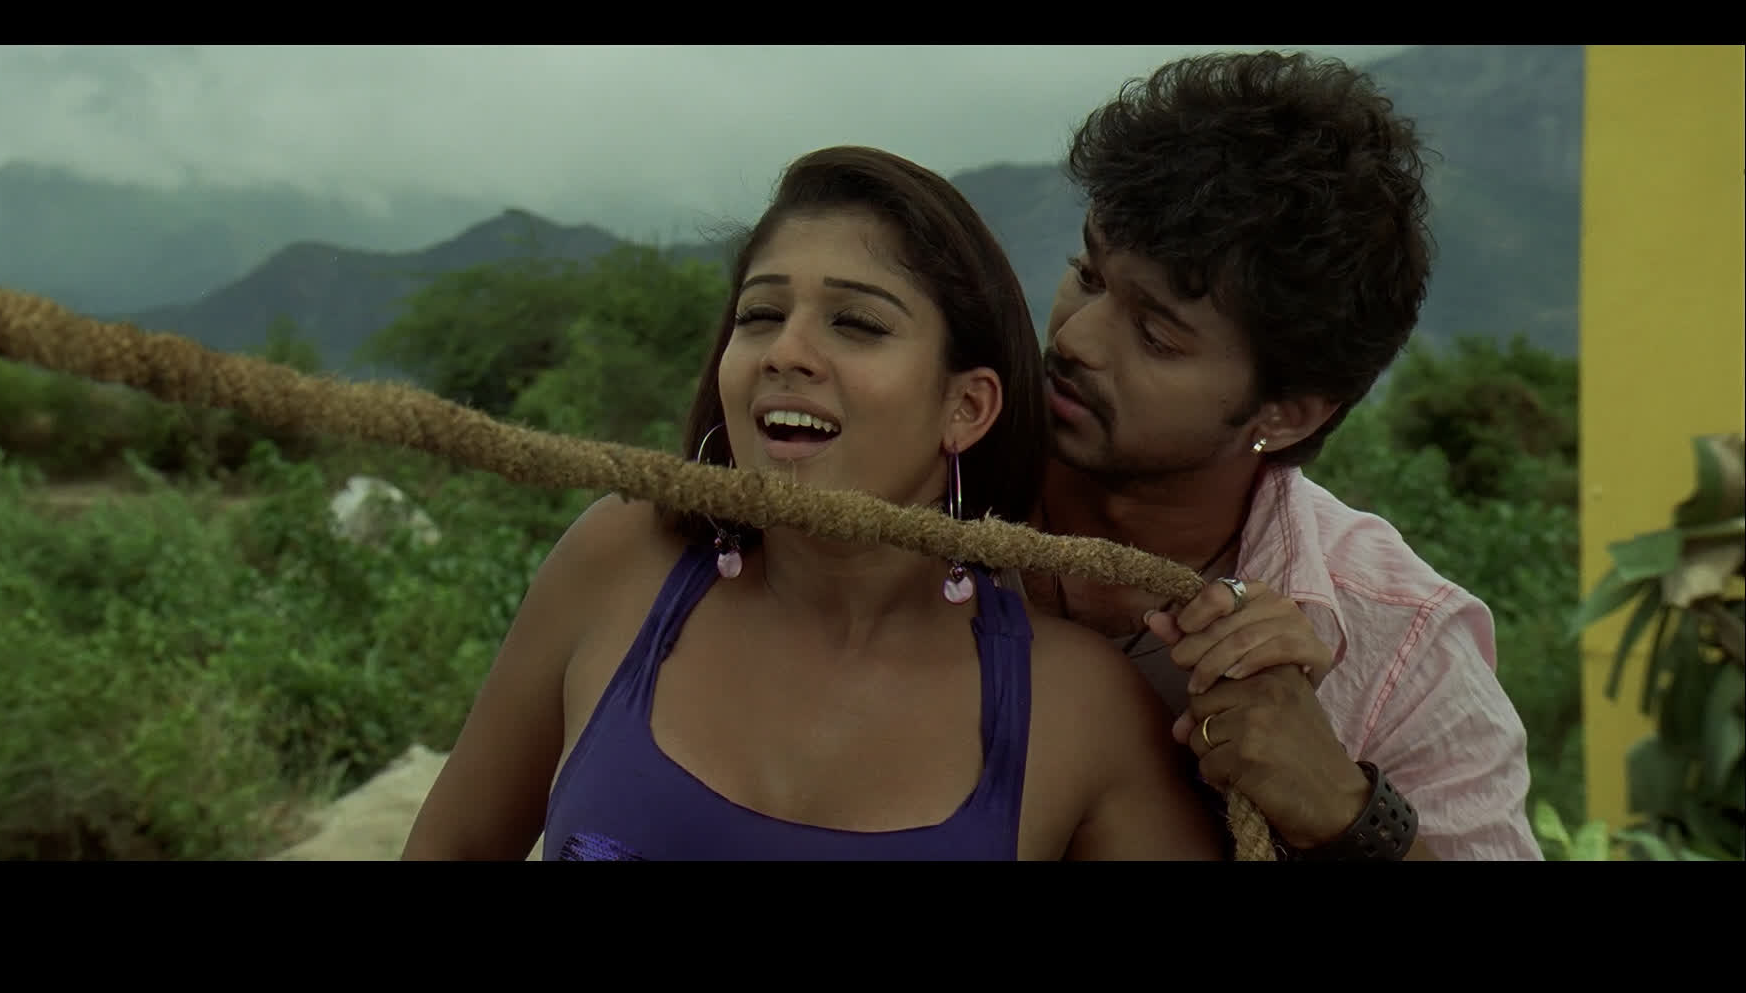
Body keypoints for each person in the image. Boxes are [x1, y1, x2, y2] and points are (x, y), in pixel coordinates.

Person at [401, 145, 1225, 861]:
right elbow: (453, 846)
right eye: (759, 315)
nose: (785, 352)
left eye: (856, 324)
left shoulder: (1076, 710)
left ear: (966, 407)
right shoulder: (619, 564)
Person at [1015, 50, 1544, 860]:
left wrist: (1342, 809)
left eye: (1155, 335)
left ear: (1286, 413)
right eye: (1088, 275)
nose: (1076, 338)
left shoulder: (1400, 644)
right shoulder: (917, 480)